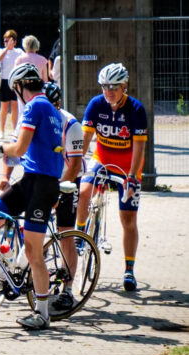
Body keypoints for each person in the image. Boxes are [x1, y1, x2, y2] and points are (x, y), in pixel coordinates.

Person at [0, 63, 64, 330]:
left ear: (18, 87)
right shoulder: (51, 110)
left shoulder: (35, 106)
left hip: (42, 185)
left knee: (33, 251)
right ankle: (0, 272)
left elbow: (19, 146)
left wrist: (2, 146)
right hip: (31, 180)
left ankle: (42, 313)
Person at [76, 63, 147, 292]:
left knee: (128, 219)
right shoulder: (96, 104)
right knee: (84, 190)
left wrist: (132, 178)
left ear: (124, 86)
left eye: (114, 86)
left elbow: (138, 148)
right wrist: (78, 165)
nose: (108, 91)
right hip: (102, 160)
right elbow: (86, 138)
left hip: (128, 166)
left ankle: (129, 269)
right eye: (105, 86)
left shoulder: (136, 109)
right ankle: (79, 234)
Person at [0, 30, 25, 140]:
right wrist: (7, 48)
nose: (6, 42)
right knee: (3, 107)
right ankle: (1, 130)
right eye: (5, 40)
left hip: (16, 82)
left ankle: (14, 130)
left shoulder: (19, 51)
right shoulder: (1, 51)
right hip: (4, 81)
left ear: (15, 41)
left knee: (15, 107)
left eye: (9, 40)